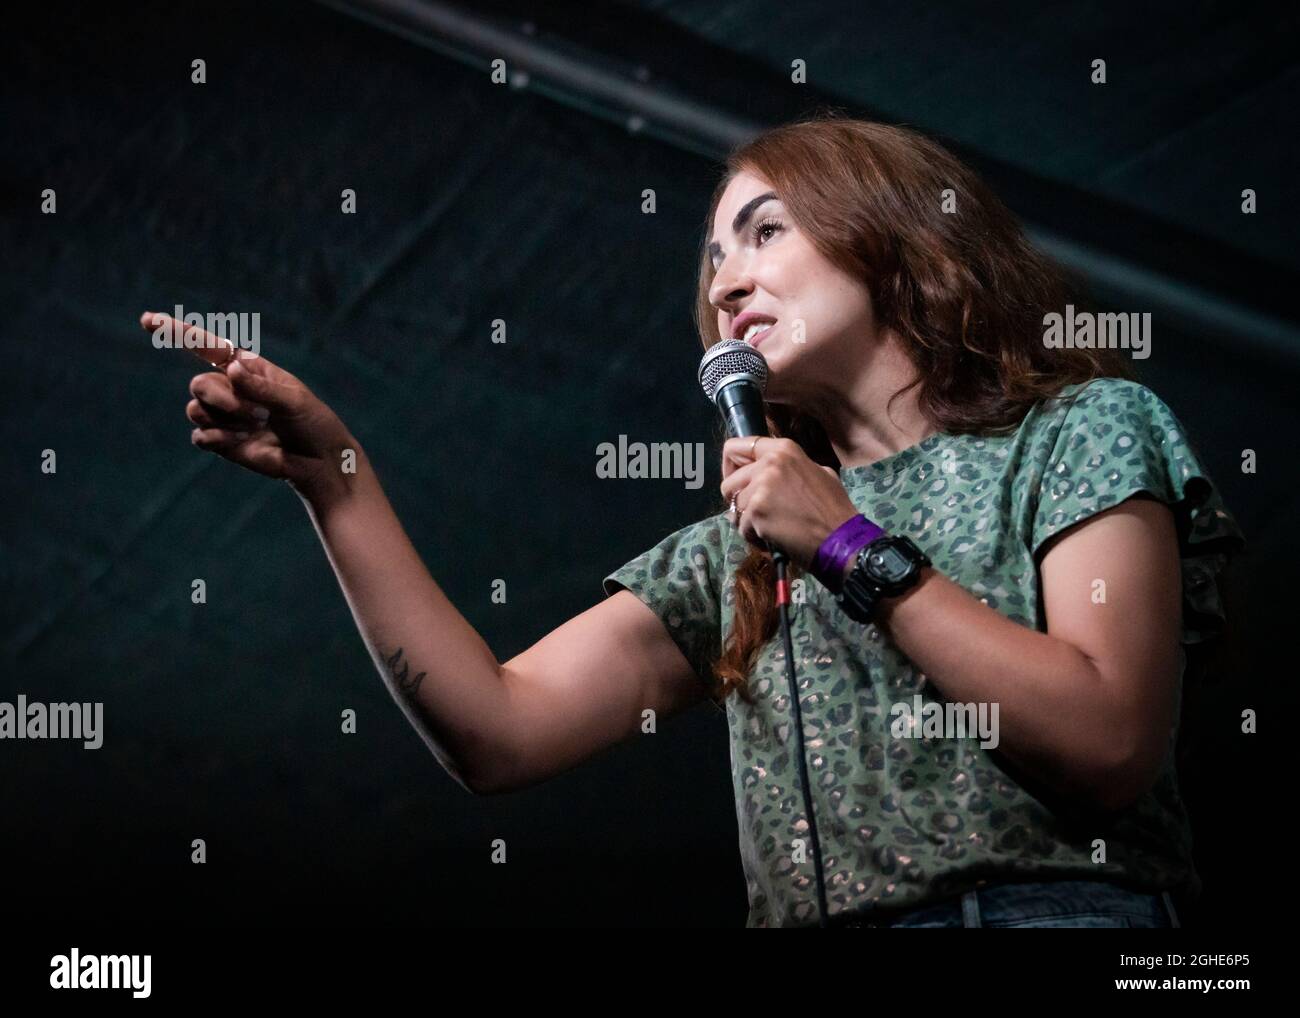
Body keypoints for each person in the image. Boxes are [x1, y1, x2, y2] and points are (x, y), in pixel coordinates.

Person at [144, 115, 1245, 929]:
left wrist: (850, 546)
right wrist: (338, 481)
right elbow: (496, 728)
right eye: (715, 257)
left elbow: (1107, 743)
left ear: (897, 237)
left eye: (764, 231)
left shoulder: (1080, 433)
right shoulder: (740, 544)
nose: (727, 280)